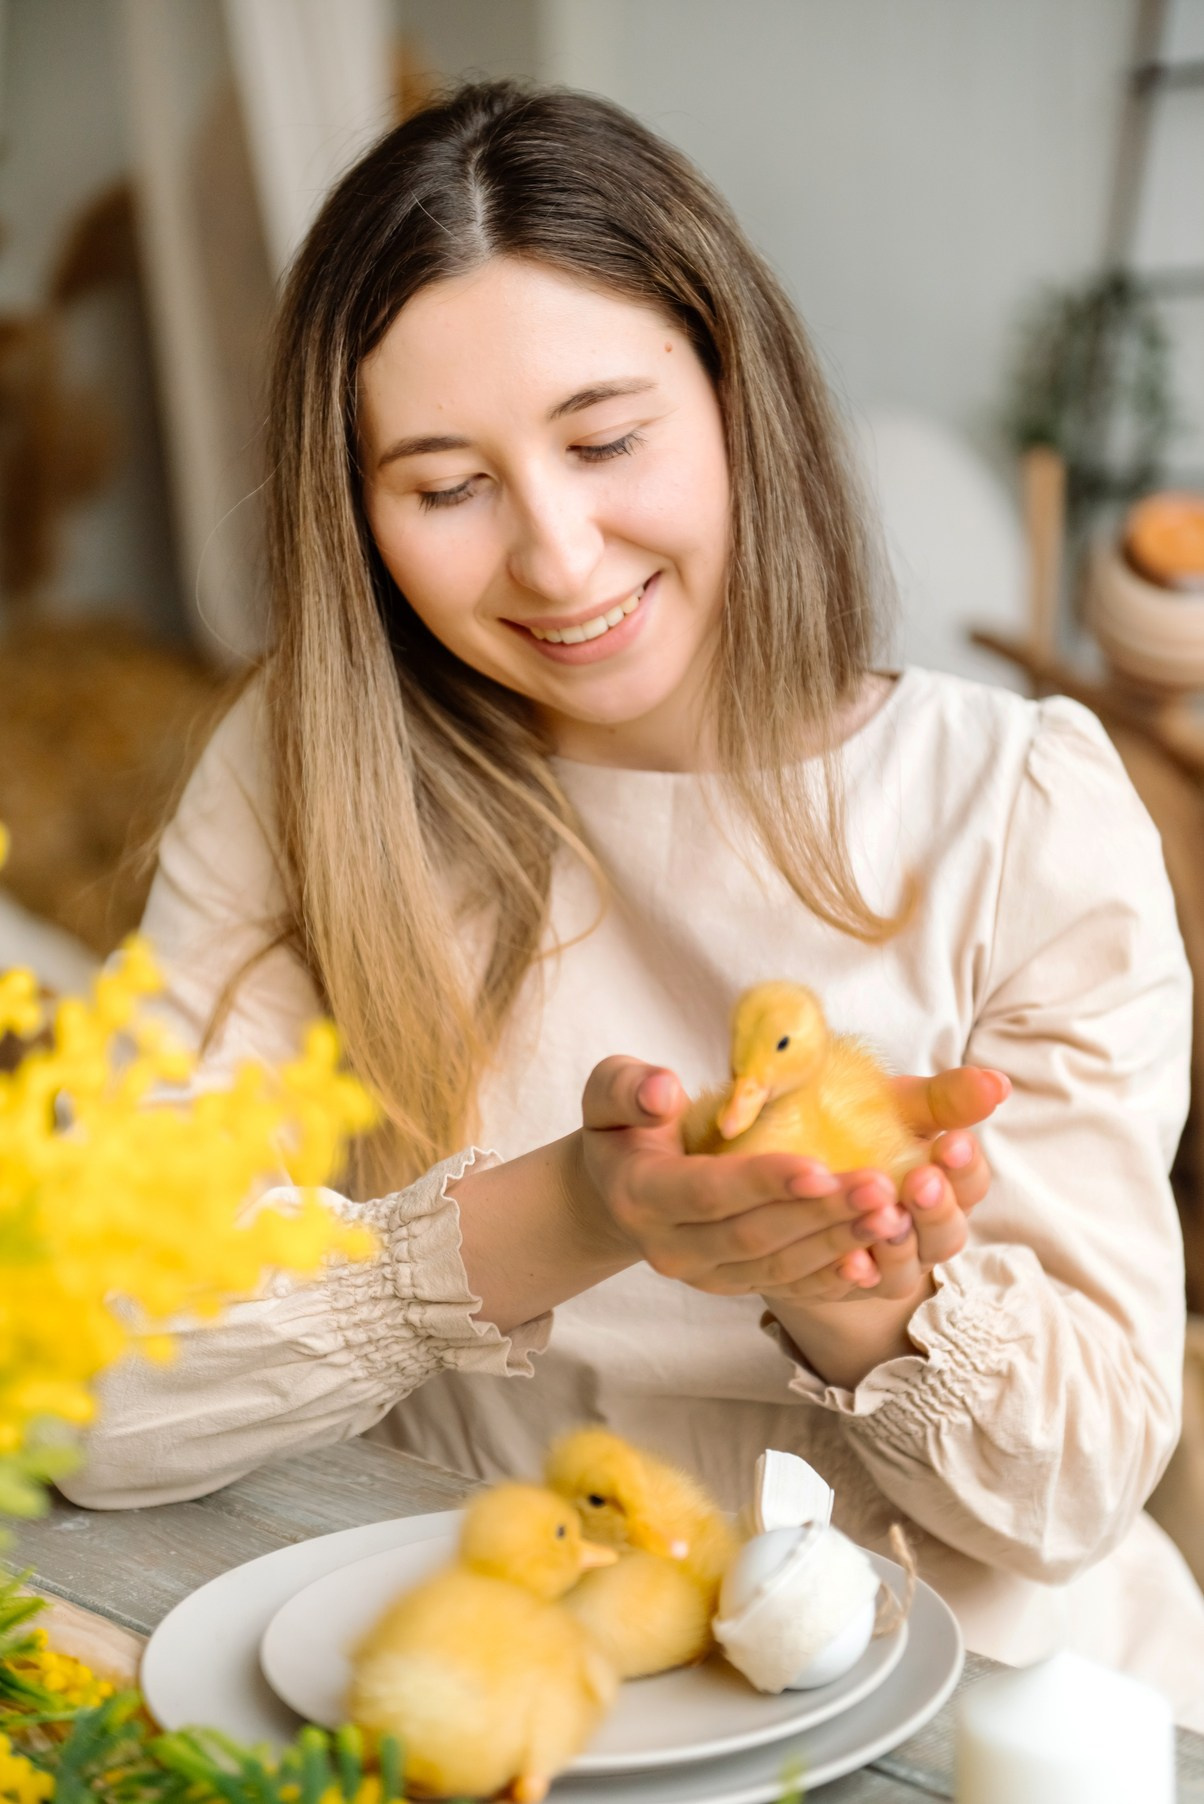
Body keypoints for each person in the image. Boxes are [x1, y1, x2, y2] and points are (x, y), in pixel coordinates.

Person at [59, 81, 1204, 1725]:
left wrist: (842, 1272)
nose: (560, 557)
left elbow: (1077, 1492)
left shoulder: (1017, 806)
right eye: (448, 487)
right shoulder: (311, 776)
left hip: (981, 1726)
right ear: (358, 515)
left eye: (606, 441)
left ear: (740, 394)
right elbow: (81, 1390)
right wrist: (577, 1215)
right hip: (505, 1698)